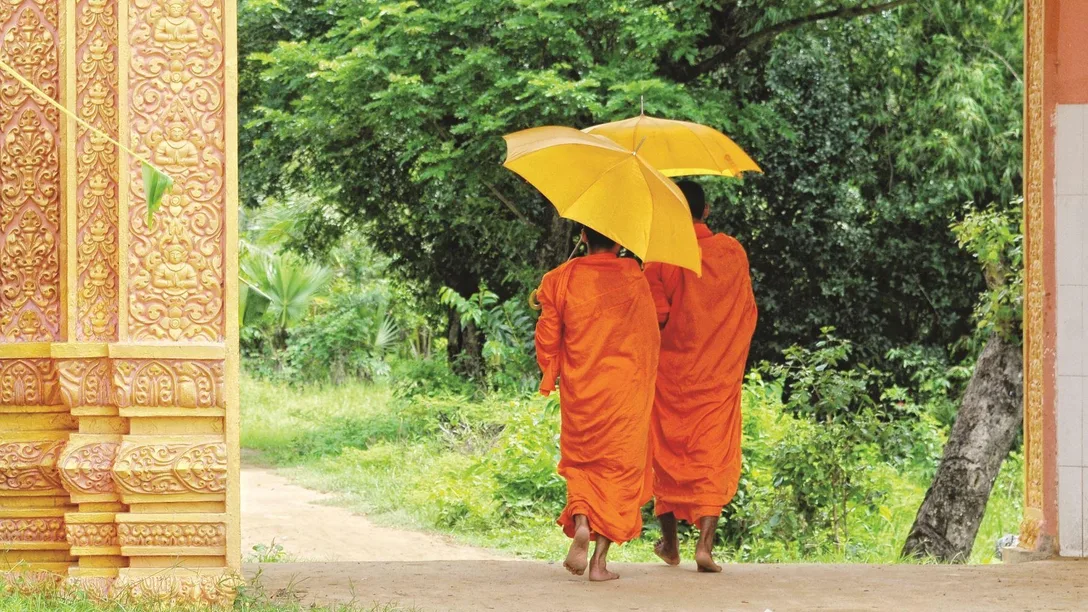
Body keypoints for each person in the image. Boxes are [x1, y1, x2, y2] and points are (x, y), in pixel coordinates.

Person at [534, 226, 660, 582]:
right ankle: (599, 564)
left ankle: (583, 521)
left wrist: (552, 371)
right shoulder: (634, 276)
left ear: (583, 237)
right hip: (625, 392)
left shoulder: (560, 278)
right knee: (620, 470)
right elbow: (650, 338)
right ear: (619, 241)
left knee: (581, 463)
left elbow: (547, 336)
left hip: (582, 391)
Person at [644, 180, 758, 573]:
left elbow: (654, 318)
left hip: (671, 376)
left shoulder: (660, 258)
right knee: (712, 453)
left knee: (665, 455)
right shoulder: (731, 252)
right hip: (718, 374)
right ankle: (705, 546)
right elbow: (746, 311)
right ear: (705, 210)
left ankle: (670, 545)